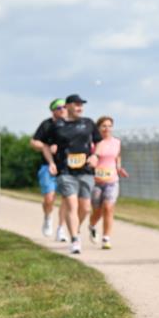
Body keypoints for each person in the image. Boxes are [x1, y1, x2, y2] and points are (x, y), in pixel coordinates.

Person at [39, 94, 101, 255]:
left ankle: (76, 229)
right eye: (76, 104)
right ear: (67, 106)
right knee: (71, 204)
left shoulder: (88, 123)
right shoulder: (57, 125)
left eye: (82, 105)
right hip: (65, 171)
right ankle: (74, 240)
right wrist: (51, 162)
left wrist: (95, 156)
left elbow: (98, 141)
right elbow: (45, 145)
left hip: (86, 170)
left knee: (86, 208)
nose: (80, 107)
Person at [88, 116, 129, 250]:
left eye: (109, 126)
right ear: (98, 128)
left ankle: (106, 238)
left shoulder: (116, 142)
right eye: (104, 126)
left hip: (112, 180)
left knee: (108, 207)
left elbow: (117, 157)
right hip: (96, 181)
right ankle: (92, 226)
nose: (107, 128)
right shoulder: (92, 143)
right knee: (97, 211)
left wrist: (119, 168)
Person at [31, 98, 68, 239]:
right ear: (53, 110)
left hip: (66, 167)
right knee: (49, 198)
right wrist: (45, 146)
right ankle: (48, 218)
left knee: (67, 199)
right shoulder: (46, 125)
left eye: (65, 106)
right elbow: (34, 141)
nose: (63, 109)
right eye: (59, 107)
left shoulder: (70, 124)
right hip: (48, 166)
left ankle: (61, 228)